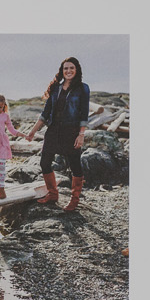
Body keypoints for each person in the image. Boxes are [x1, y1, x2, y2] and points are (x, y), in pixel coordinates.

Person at [24, 56, 92, 211]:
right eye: (65, 68)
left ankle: (74, 200)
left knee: (74, 165)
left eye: (71, 68)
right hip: (53, 130)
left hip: (72, 131)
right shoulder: (56, 88)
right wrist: (32, 132)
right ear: (62, 71)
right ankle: (53, 194)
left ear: (77, 70)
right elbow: (45, 113)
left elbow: (84, 114)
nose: (68, 71)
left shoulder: (83, 88)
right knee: (44, 162)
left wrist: (81, 135)